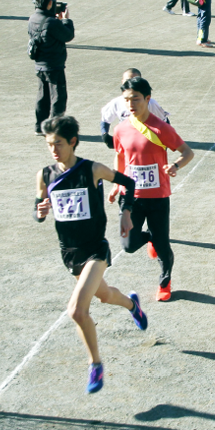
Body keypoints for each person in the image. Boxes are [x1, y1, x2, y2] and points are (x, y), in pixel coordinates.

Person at [34, 115, 147, 394]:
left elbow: (128, 183)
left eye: (58, 143)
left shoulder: (92, 169)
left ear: (73, 142)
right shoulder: (45, 174)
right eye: (49, 144)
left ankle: (95, 364)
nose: (54, 150)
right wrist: (40, 212)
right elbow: (39, 205)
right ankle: (133, 305)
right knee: (105, 296)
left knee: (77, 310)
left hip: (96, 249)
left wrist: (126, 213)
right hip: (69, 252)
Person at [109, 77, 194, 302]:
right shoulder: (120, 129)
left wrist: (175, 165)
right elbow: (120, 157)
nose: (131, 104)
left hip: (157, 196)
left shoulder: (161, 128)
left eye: (135, 99)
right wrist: (118, 184)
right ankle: (150, 239)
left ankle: (164, 283)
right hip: (131, 198)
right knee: (128, 245)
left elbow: (187, 152)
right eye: (127, 100)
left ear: (147, 99)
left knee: (163, 244)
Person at [28, 0, 74, 136]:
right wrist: (66, 20)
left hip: (40, 64)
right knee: (58, 97)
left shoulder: (33, 18)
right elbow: (68, 35)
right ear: (49, 3)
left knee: (43, 96)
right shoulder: (51, 22)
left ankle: (39, 126)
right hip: (54, 65)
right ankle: (55, 128)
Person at [100, 69, 170, 148]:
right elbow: (105, 119)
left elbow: (164, 121)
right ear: (122, 81)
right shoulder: (116, 102)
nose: (131, 83)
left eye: (135, 80)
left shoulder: (150, 103)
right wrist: (105, 134)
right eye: (128, 80)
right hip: (126, 140)